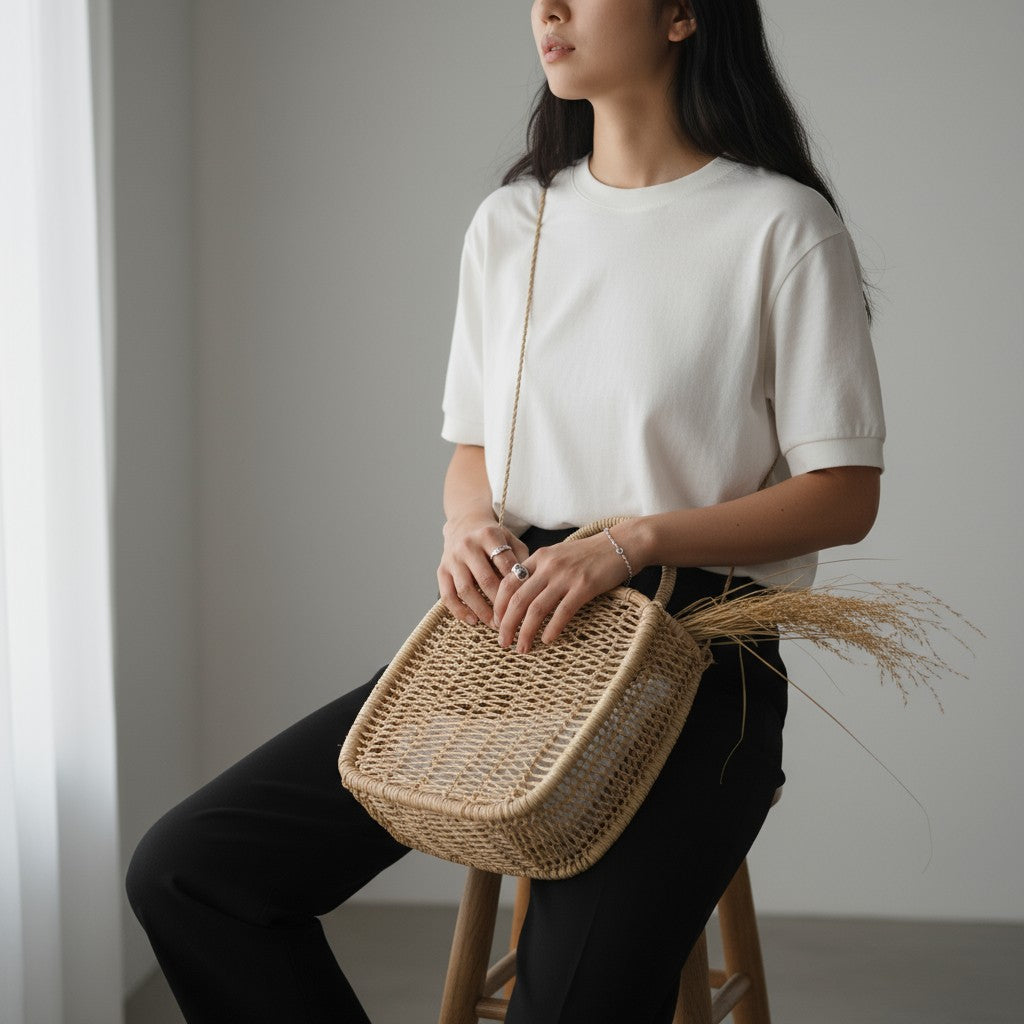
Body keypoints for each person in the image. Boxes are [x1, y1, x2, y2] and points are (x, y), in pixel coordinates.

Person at [126, 1, 885, 1021]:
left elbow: (843, 495)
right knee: (192, 870)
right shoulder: (512, 221)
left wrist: (631, 540)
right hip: (512, 646)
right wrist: (466, 527)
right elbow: (475, 449)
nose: (547, 9)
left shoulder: (781, 228)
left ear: (680, 15)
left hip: (697, 663)